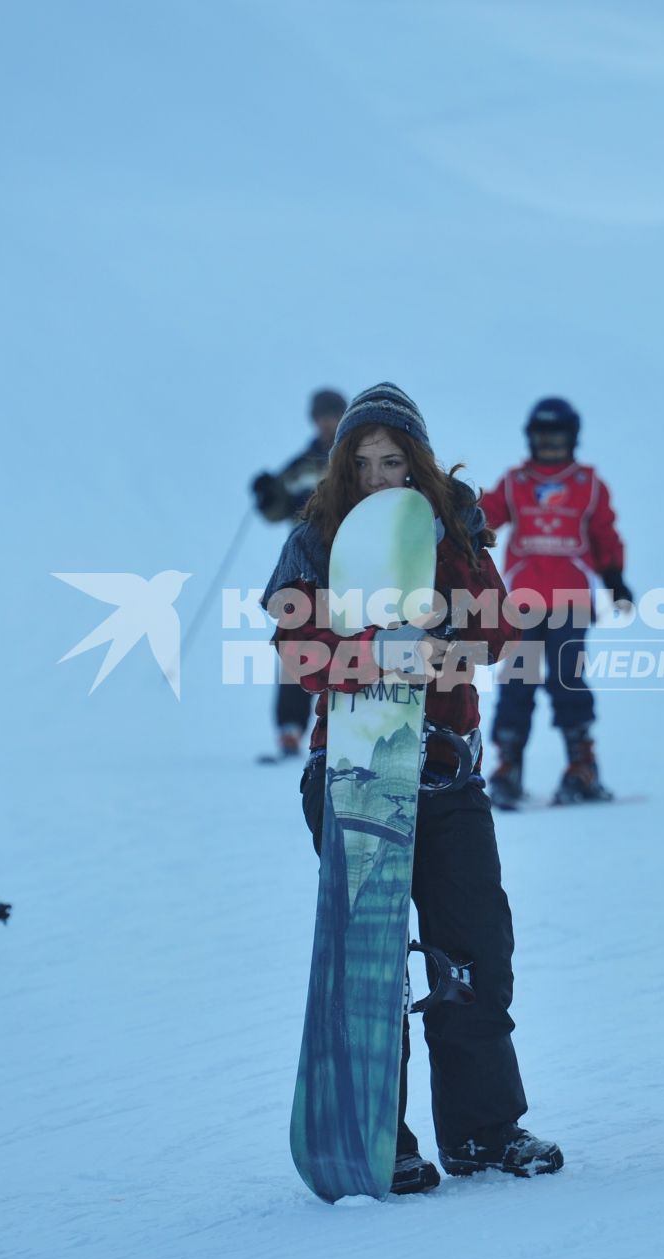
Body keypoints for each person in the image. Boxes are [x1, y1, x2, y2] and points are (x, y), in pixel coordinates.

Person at [263, 382, 563, 1193]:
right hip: (352, 775)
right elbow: (296, 650)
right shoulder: (315, 538)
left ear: (418, 461)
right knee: (372, 964)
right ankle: (376, 1131)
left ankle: (484, 1131)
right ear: (341, 469)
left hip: (446, 773)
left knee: (474, 951)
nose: (379, 477)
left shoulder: (455, 525)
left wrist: (438, 633)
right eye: (362, 464)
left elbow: (500, 630)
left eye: (393, 460)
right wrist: (374, 651)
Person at [478, 398, 632, 807]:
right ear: (530, 439)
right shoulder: (516, 482)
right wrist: (461, 516)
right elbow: (486, 516)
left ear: (572, 440)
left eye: (557, 439)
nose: (548, 447)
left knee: (567, 676)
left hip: (570, 597)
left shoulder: (587, 484)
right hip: (524, 598)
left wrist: (614, 578)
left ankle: (581, 762)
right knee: (518, 678)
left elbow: (604, 534)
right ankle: (508, 763)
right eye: (541, 439)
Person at [252, 388, 347, 758]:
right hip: (306, 567)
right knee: (297, 643)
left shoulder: (355, 457)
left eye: (332, 415)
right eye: (321, 416)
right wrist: (267, 494)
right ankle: (290, 728)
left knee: (349, 643)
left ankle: (343, 725)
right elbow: (276, 510)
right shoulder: (303, 463)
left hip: (350, 563)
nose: (326, 423)